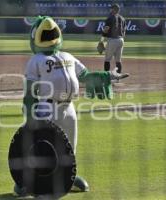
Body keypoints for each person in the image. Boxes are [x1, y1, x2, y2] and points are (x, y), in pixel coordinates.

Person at [14, 16, 128, 197]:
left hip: (69, 109)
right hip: (46, 108)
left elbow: (85, 76)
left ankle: (68, 178)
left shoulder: (67, 56)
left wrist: (108, 76)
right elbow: (30, 91)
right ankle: (29, 182)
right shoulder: (35, 60)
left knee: (69, 148)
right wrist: (29, 115)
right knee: (43, 146)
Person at [102, 3, 126, 74]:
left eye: (111, 9)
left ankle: (106, 77)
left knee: (107, 59)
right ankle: (118, 77)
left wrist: (101, 41)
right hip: (121, 40)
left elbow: (106, 29)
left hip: (112, 40)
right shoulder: (123, 18)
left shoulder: (110, 17)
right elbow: (124, 31)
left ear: (114, 10)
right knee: (118, 60)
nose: (110, 10)